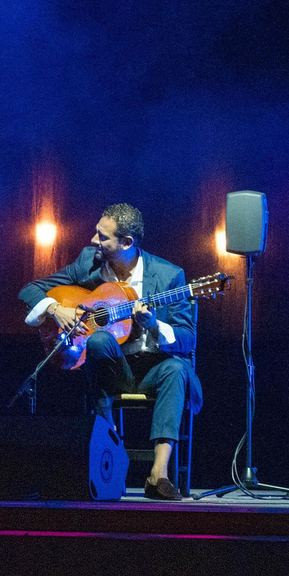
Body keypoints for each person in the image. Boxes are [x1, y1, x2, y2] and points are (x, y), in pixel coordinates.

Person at [18, 203, 202, 500]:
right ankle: (108, 450)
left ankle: (159, 474)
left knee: (178, 368)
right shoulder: (88, 262)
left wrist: (154, 325)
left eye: (103, 237)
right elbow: (30, 289)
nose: (94, 240)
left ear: (127, 243)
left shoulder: (169, 275)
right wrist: (56, 309)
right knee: (99, 340)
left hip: (154, 369)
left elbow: (187, 339)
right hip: (111, 369)